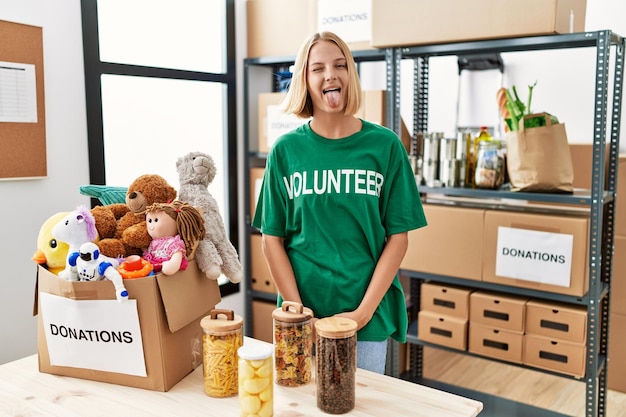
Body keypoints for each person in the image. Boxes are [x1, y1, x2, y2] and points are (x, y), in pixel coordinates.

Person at [252, 31, 427, 374]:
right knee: (297, 408)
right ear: (305, 79)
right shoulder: (285, 151)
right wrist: (299, 314)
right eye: (317, 68)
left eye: (340, 65)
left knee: (359, 408)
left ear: (351, 75)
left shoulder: (385, 146)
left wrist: (360, 316)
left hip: (366, 319)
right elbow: (272, 239)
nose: (330, 74)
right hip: (300, 316)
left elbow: (398, 238)